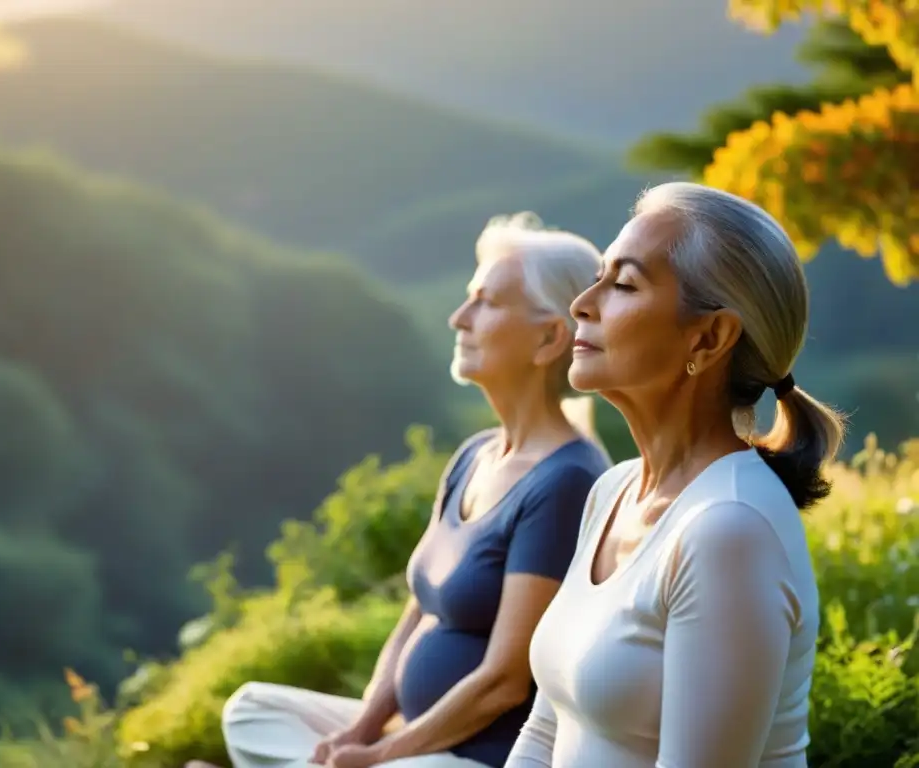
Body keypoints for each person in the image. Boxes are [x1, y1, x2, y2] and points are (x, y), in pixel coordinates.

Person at [187, 213, 612, 768]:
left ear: (550, 336)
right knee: (253, 710)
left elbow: (504, 683)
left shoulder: (566, 480)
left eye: (486, 302)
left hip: (478, 757)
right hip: (409, 738)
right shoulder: (474, 456)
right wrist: (362, 730)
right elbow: (417, 615)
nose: (460, 317)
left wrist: (382, 753)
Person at [505, 182, 845, 768]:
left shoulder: (729, 530)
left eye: (625, 284)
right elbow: (545, 733)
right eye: (597, 277)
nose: (583, 303)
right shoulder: (611, 492)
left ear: (709, 338)